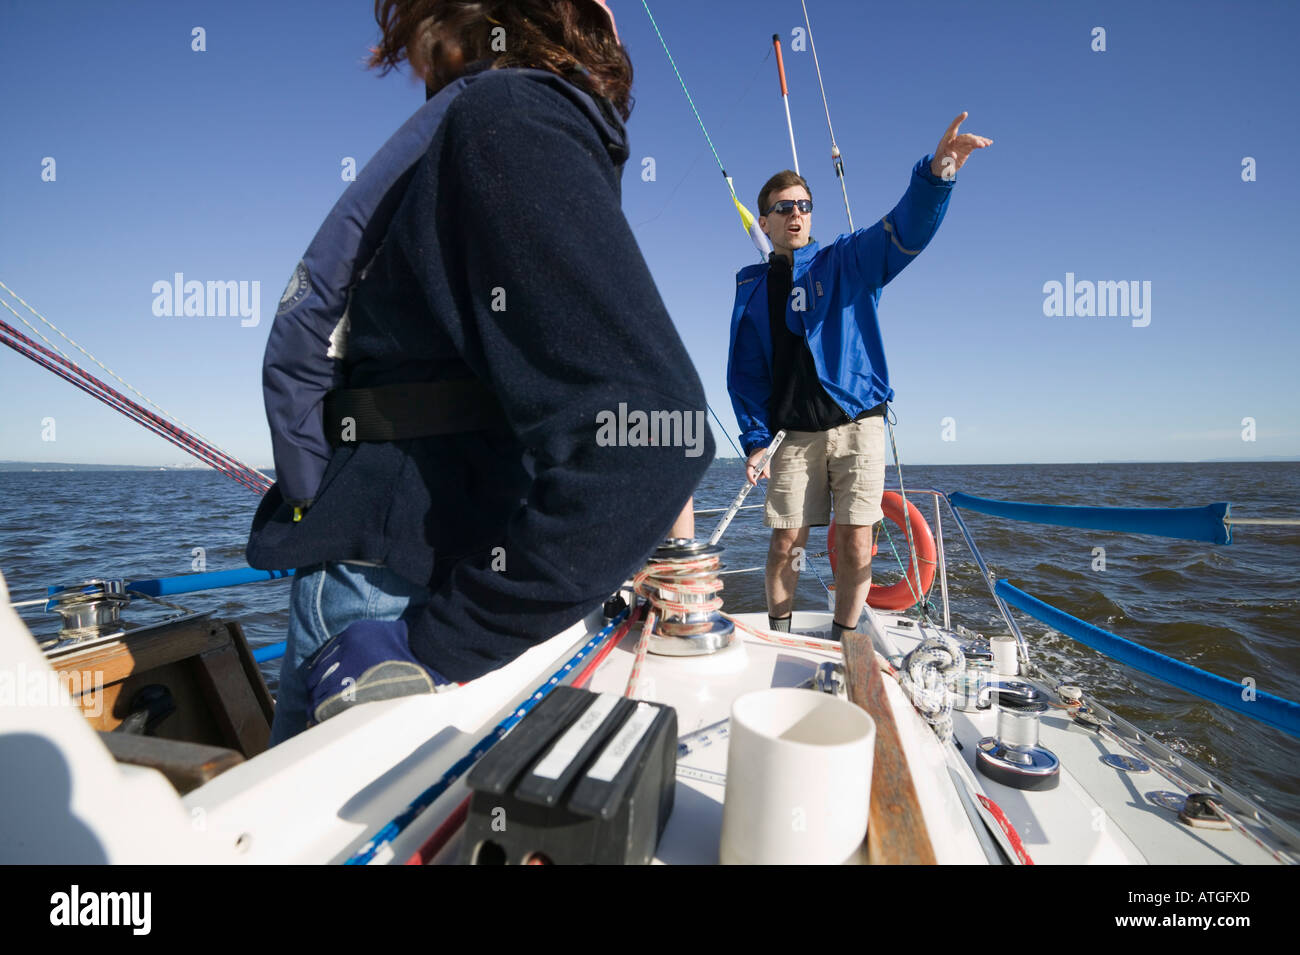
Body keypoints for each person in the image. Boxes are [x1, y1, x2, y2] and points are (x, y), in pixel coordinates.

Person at [247, 0, 713, 741]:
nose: (422, 72)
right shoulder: (522, 129)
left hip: (395, 603)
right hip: (432, 573)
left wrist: (433, 644)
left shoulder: (506, 119)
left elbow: (656, 435)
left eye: (427, 38)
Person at [726, 115, 990, 639]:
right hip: (791, 437)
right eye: (785, 207)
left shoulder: (846, 259)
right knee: (785, 543)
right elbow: (746, 374)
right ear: (765, 220)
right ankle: (780, 632)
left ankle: (845, 638)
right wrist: (755, 441)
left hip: (858, 424)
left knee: (854, 540)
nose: (797, 214)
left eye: (804, 205)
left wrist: (936, 177)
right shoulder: (751, 289)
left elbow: (903, 229)